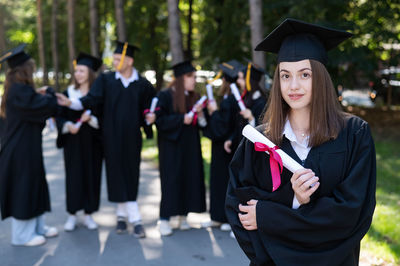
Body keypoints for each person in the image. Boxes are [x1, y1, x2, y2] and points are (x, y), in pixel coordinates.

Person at [225, 18, 376, 266]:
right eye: (285, 75)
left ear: (321, 77)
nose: (293, 86)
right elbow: (238, 208)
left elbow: (351, 215)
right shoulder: (260, 139)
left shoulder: (354, 134)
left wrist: (269, 216)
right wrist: (294, 202)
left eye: (304, 74)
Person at [56, 41, 156, 238]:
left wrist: (150, 118)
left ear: (130, 61)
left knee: (131, 174)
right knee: (116, 174)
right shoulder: (107, 80)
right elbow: (90, 100)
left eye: (118, 59)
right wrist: (71, 103)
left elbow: (149, 107)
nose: (114, 62)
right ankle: (134, 219)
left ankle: (121, 216)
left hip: (132, 138)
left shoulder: (143, 84)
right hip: (110, 138)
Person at [0, 44, 59, 246]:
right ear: (25, 70)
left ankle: (37, 227)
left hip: (26, 147)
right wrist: (50, 94)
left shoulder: (18, 90)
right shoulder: (19, 91)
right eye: (31, 68)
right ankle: (22, 236)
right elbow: (46, 107)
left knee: (34, 184)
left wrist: (40, 93)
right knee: (23, 188)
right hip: (19, 151)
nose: (33, 71)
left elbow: (34, 103)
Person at [154, 61, 207, 236]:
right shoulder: (165, 96)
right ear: (180, 79)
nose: (193, 80)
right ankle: (164, 219)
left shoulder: (194, 96)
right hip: (171, 146)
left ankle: (183, 216)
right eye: (190, 76)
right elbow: (159, 121)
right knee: (171, 180)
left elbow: (202, 125)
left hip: (190, 146)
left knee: (189, 176)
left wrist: (199, 115)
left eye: (194, 77)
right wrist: (181, 119)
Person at [56, 52, 103, 232]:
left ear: (90, 73)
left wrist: (90, 120)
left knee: (92, 176)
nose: (78, 74)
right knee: (74, 177)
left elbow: (104, 118)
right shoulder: (67, 93)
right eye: (76, 71)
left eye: (82, 71)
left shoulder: (96, 95)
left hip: (93, 143)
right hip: (73, 143)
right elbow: (59, 117)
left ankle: (89, 214)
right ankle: (72, 214)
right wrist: (68, 126)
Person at [202, 60, 244, 231]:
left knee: (224, 182)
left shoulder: (230, 100)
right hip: (221, 146)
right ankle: (217, 217)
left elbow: (223, 126)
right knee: (218, 181)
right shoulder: (230, 98)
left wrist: (213, 112)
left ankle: (225, 218)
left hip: (226, 147)